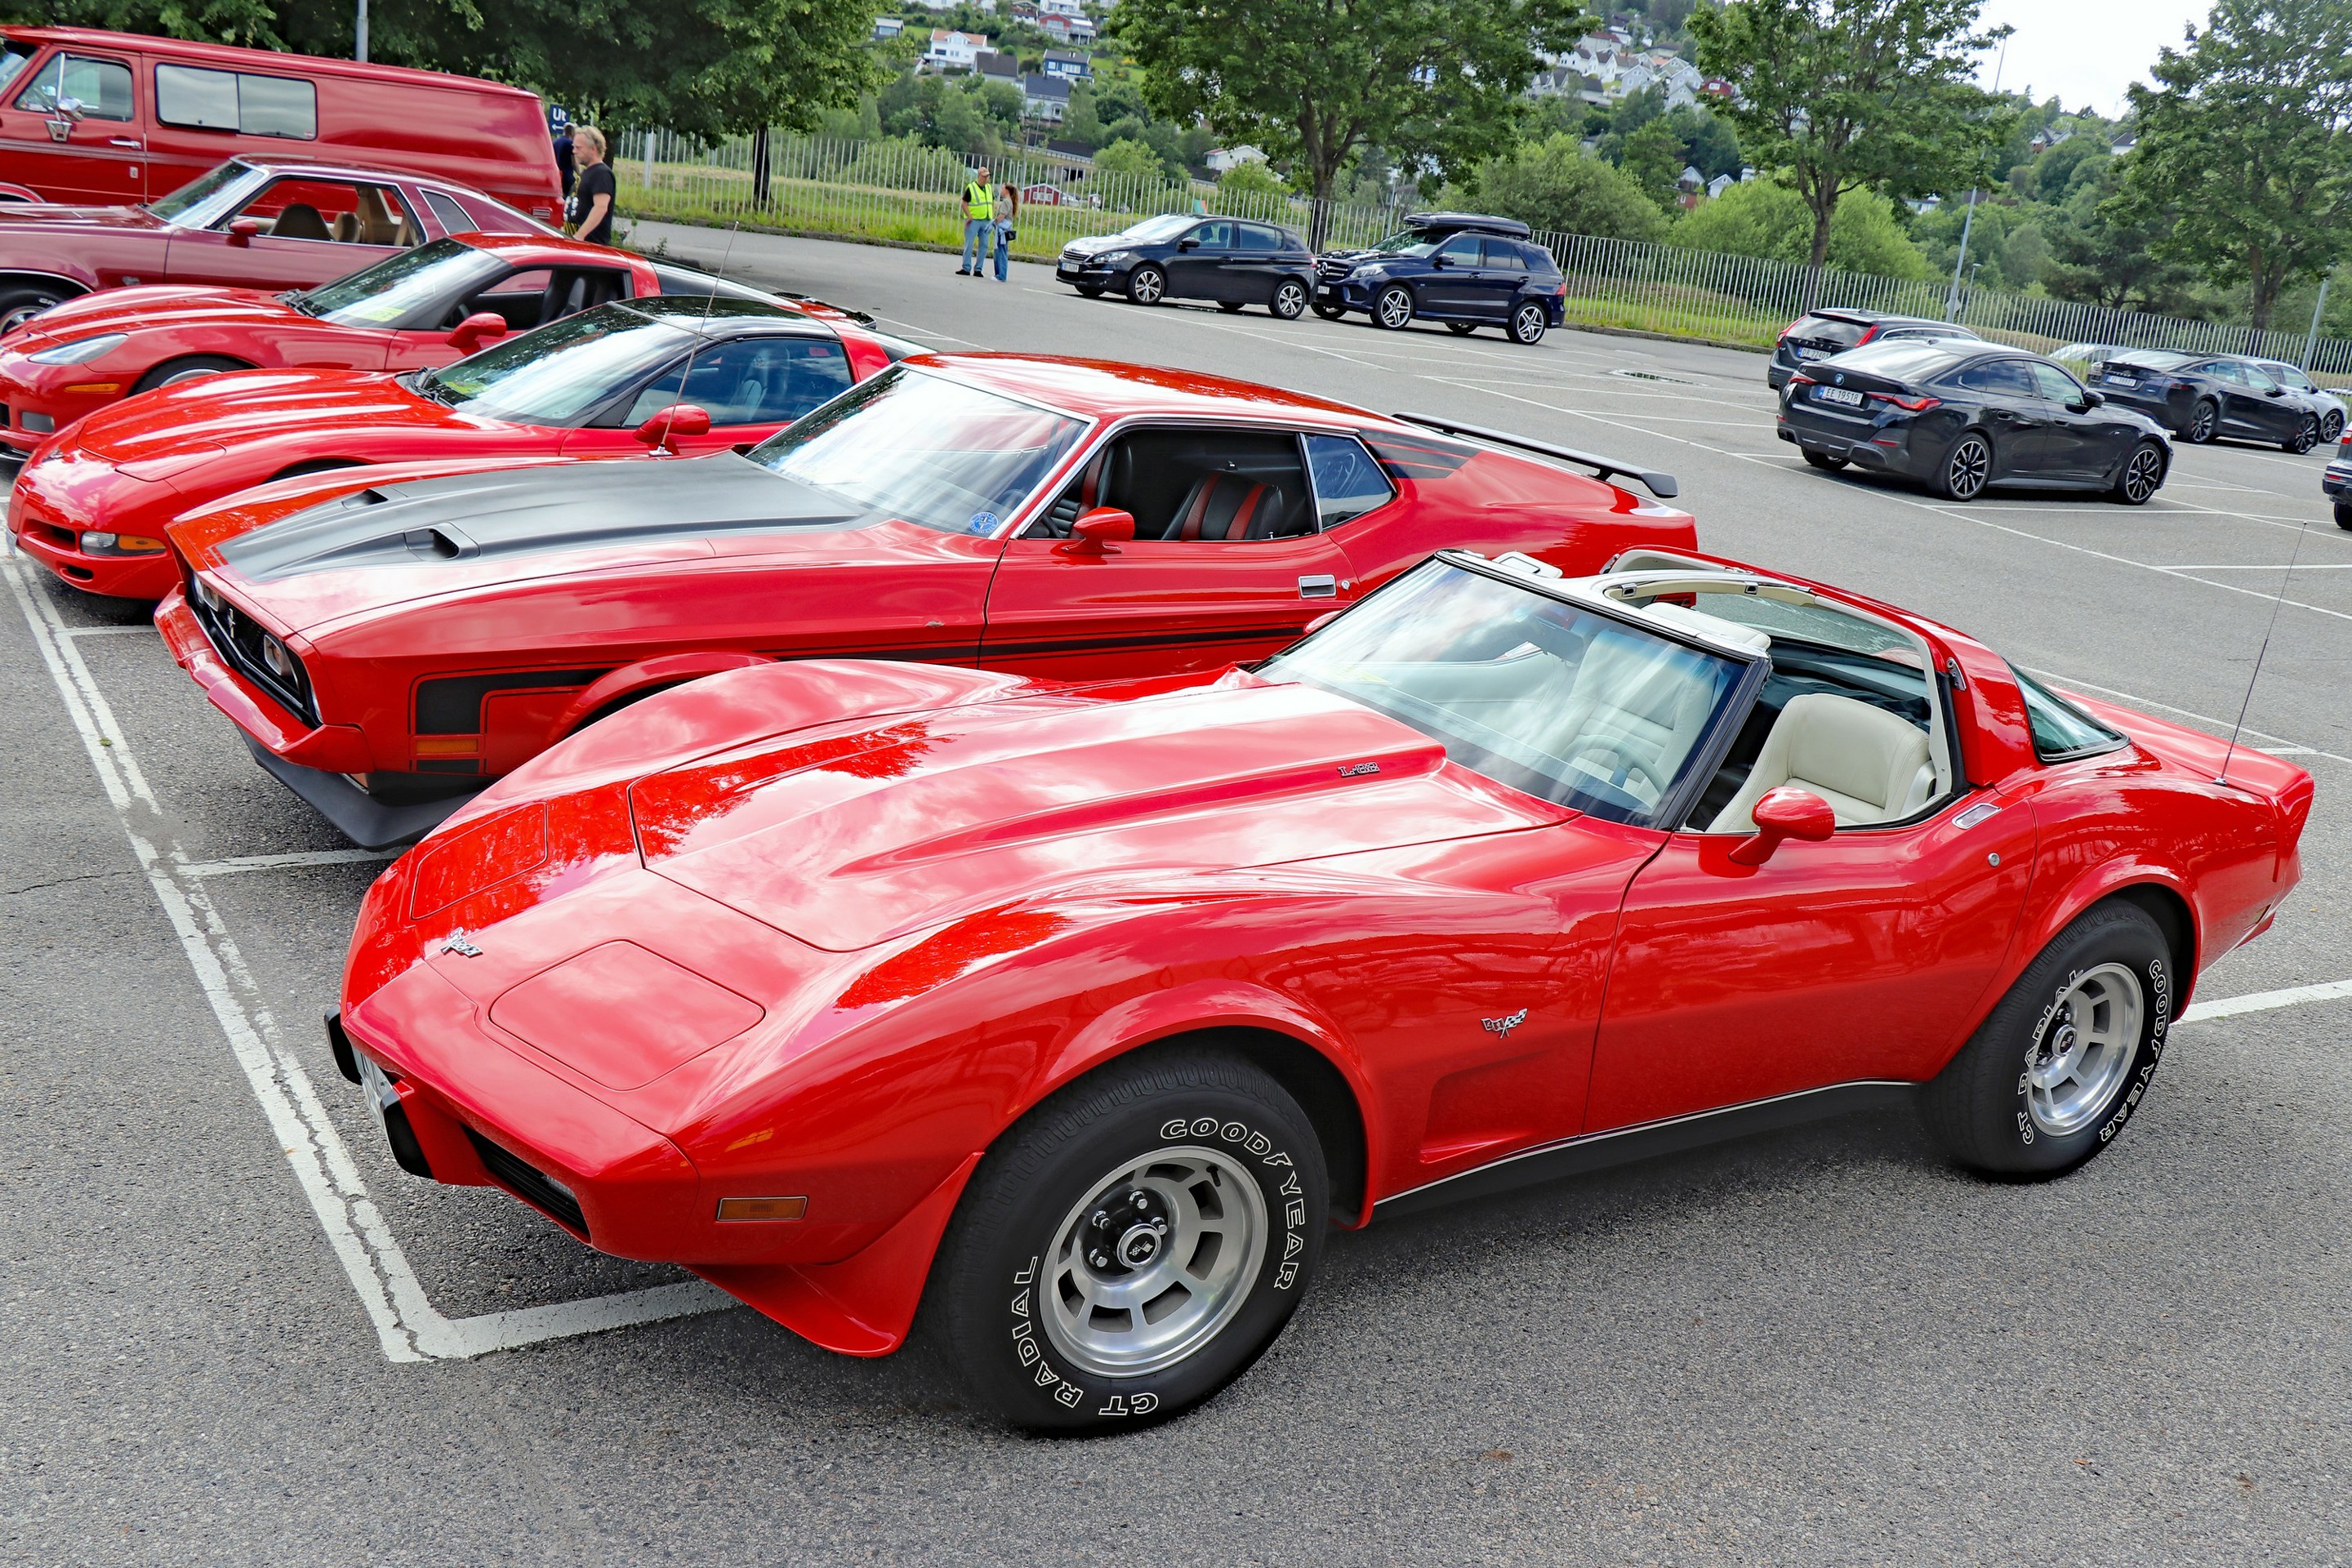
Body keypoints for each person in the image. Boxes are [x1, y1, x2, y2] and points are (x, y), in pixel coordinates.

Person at [567, 125, 616, 247]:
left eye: (578, 148)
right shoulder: (587, 173)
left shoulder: (601, 174)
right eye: (574, 147)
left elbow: (601, 207)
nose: (574, 151)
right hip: (575, 241)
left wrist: (579, 236)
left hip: (590, 245)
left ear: (593, 149)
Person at [958, 166, 993, 277]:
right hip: (973, 220)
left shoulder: (989, 188)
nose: (986, 179)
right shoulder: (971, 188)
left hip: (986, 220)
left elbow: (991, 202)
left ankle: (978, 269)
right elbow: (964, 203)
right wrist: (969, 216)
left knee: (984, 245)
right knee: (969, 244)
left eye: (988, 176)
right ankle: (966, 268)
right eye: (984, 176)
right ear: (979, 176)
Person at [992, 182, 1019, 282]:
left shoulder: (1006, 202)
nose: (1001, 190)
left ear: (1007, 190)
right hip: (1006, 229)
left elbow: (1001, 216)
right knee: (1001, 251)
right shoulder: (1010, 201)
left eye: (1002, 188)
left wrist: (994, 222)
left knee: (1001, 252)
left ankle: (1001, 275)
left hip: (1002, 230)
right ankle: (1000, 274)